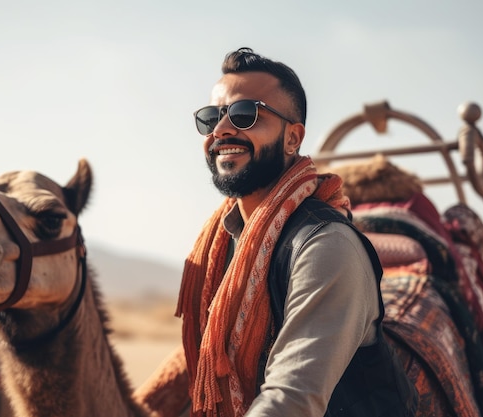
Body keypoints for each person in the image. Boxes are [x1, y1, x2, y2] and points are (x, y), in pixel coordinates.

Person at [172, 47, 417, 417]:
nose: (222, 130)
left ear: (292, 138)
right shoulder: (220, 243)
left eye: (244, 114)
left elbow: (292, 399)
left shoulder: (324, 246)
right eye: (211, 118)